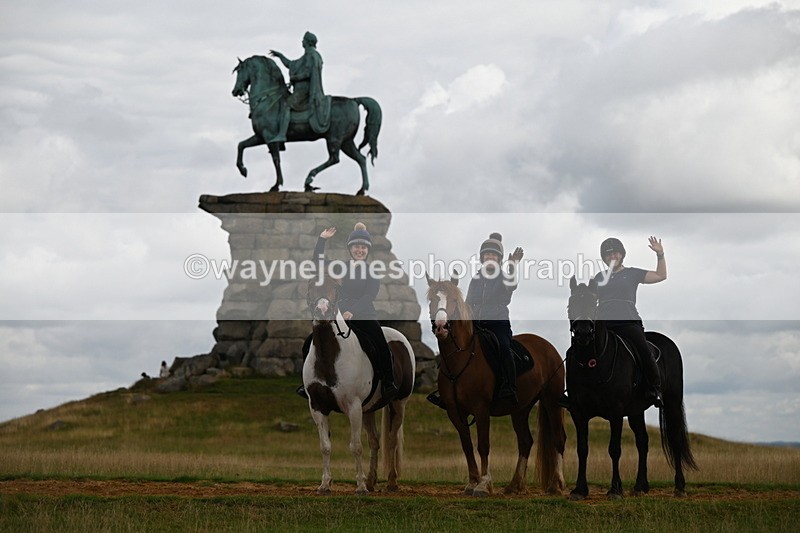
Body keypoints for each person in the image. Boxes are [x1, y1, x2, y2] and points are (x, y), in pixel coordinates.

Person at [297, 223, 398, 400]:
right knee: (309, 343)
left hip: (365, 315)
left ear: (367, 250)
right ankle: (308, 382)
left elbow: (369, 296)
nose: (360, 250)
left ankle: (388, 382)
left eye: (363, 247)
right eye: (356, 247)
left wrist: (352, 311)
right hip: (338, 316)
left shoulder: (372, 272)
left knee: (381, 344)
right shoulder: (340, 267)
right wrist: (322, 240)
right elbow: (318, 262)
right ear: (350, 249)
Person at [562, 236, 666, 409]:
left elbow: (661, 275)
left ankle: (654, 388)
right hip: (604, 325)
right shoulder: (598, 278)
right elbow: (590, 300)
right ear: (604, 257)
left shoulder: (632, 273)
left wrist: (660, 254)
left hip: (628, 323)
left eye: (615, 253)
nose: (612, 256)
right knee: (575, 351)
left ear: (622, 254)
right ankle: (572, 392)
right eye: (608, 254)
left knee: (643, 349)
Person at [465, 232, 524, 402]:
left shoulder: (504, 277)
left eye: (494, 255)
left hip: (498, 324)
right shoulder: (475, 279)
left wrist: (512, 265)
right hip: (476, 325)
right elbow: (468, 303)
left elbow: (512, 285)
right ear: (482, 258)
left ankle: (510, 387)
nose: (490, 257)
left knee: (504, 348)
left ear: (499, 259)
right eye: (487, 254)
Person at [269, 31, 331, 141]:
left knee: (286, 105)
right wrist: (280, 56)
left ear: (307, 42)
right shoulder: (307, 55)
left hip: (305, 91)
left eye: (303, 40)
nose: (302, 41)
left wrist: (295, 78)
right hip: (300, 90)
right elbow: (291, 64)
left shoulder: (312, 56)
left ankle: (282, 135)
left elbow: (308, 73)